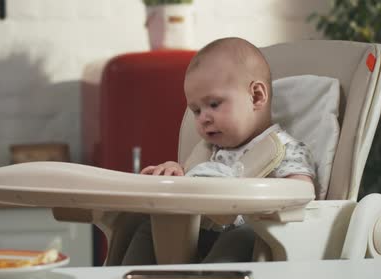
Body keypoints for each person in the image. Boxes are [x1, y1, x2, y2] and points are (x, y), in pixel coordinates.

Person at [121, 37, 315, 265]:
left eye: (213, 104)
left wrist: (255, 197)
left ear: (256, 96)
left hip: (248, 231)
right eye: (196, 110)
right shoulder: (207, 152)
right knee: (150, 229)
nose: (203, 118)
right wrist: (175, 171)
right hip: (200, 229)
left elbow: (301, 191)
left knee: (241, 238)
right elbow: (192, 185)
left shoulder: (284, 149)